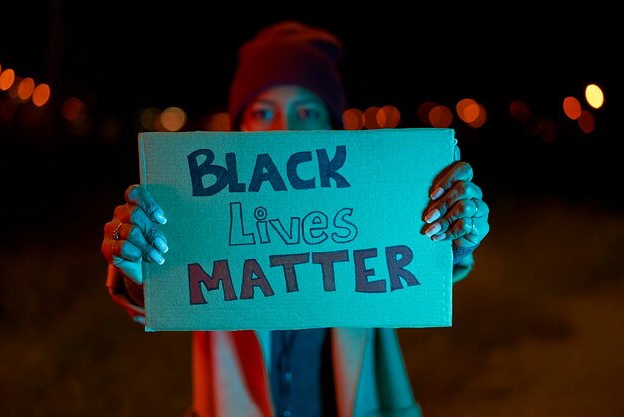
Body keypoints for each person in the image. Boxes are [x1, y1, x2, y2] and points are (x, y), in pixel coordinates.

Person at [101, 20, 490, 417]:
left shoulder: (370, 207)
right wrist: (136, 261)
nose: (286, 130)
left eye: (306, 111)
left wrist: (456, 233)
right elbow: (157, 294)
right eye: (264, 112)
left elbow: (420, 254)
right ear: (240, 128)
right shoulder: (203, 215)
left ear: (333, 127)